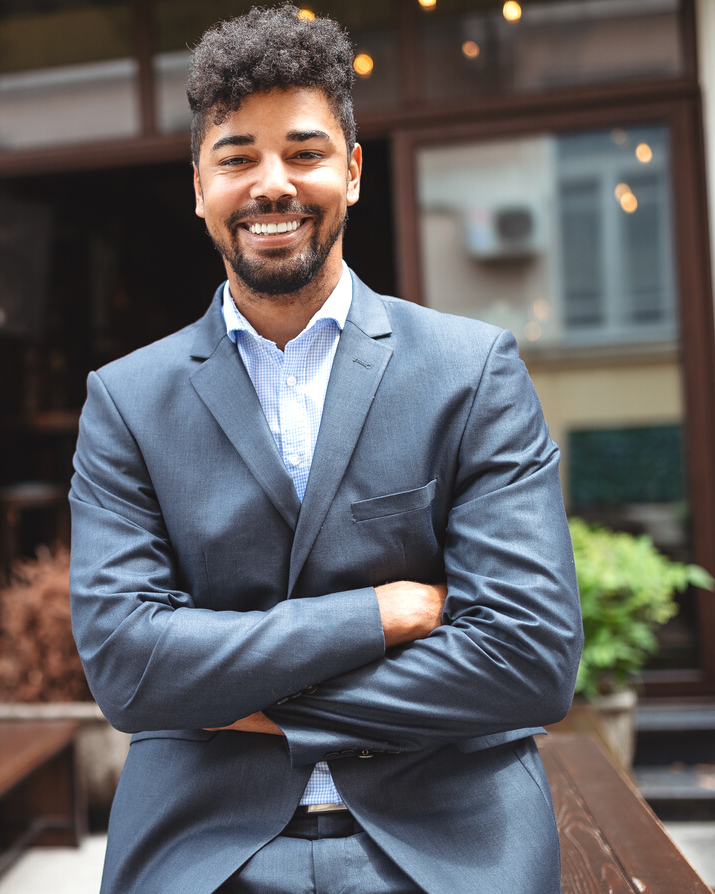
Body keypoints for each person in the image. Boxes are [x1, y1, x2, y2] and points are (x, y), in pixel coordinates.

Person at [68, 6, 584, 894]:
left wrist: (234, 702)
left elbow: (528, 660)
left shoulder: (470, 371)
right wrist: (379, 615)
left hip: (450, 844)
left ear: (349, 171)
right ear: (198, 184)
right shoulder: (124, 402)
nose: (271, 184)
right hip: (201, 849)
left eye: (303, 153)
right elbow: (130, 668)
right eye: (236, 157)